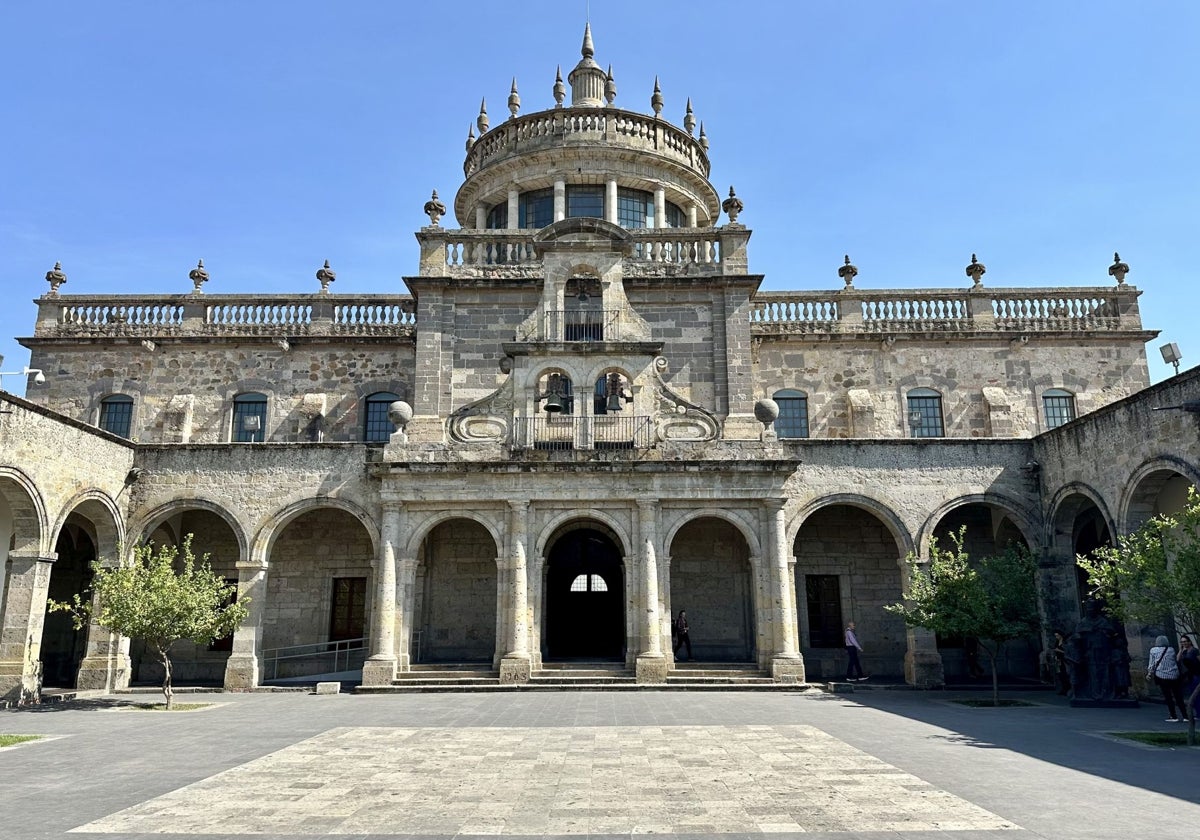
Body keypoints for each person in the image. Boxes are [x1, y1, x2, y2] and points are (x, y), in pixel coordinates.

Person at [1148, 635, 1186, 722]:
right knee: (1178, 696)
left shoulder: (1153, 650)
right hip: (1174, 675)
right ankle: (1185, 716)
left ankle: (1173, 715)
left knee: (1168, 697)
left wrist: (1149, 673)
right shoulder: (1171, 650)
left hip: (1162, 676)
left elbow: (1152, 664)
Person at [1177, 634, 1200, 720]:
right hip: (1189, 675)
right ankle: (1198, 712)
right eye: (1182, 642)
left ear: (1189, 642)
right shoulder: (1184, 652)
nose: (1184, 643)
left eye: (1185, 641)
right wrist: (1181, 649)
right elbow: (1178, 659)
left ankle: (1199, 713)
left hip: (1196, 674)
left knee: (1197, 694)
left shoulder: (1194, 651)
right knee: (1193, 694)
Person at [1052, 631, 1071, 695]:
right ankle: (1063, 689)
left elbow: (1067, 652)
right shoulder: (1057, 642)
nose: (1056, 637)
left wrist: (1059, 650)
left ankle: (1067, 688)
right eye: (1055, 635)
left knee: (1064, 674)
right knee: (1060, 675)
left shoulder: (1065, 642)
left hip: (1064, 660)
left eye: (1057, 635)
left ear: (1061, 635)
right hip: (1058, 660)